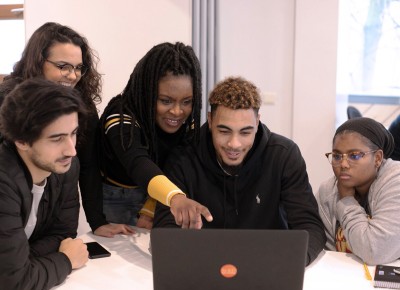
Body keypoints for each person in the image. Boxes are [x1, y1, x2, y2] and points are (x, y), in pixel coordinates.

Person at [153, 76, 326, 265]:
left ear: (258, 122)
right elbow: (164, 230)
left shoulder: (283, 155)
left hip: (268, 264)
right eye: (224, 131)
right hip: (203, 265)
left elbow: (309, 226)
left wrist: (289, 263)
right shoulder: (183, 157)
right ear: (210, 121)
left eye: (245, 132)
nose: (234, 144)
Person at [0, 22, 133, 237]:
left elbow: (90, 164)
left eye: (79, 68)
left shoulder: (82, 105)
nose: (73, 75)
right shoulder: (8, 100)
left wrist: (97, 221)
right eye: (63, 66)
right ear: (38, 62)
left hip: (48, 217)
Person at [99, 42, 212, 230]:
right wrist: (175, 198)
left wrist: (151, 208)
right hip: (118, 199)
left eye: (187, 102)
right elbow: (138, 163)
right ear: (147, 92)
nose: (177, 111)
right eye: (165, 101)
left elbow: (176, 166)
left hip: (165, 195)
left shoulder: (187, 122)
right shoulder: (120, 116)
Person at [0, 79, 89, 290]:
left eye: (73, 133)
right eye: (57, 138)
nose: (71, 150)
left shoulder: (66, 168)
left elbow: (63, 234)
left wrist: (24, 261)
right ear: (22, 141)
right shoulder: (3, 181)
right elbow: (15, 285)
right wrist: (66, 260)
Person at [316, 117, 400, 265]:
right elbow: (327, 253)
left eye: (354, 155)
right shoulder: (327, 191)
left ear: (378, 158)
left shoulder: (395, 181)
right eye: (336, 156)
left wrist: (347, 200)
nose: (343, 164)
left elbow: (375, 251)